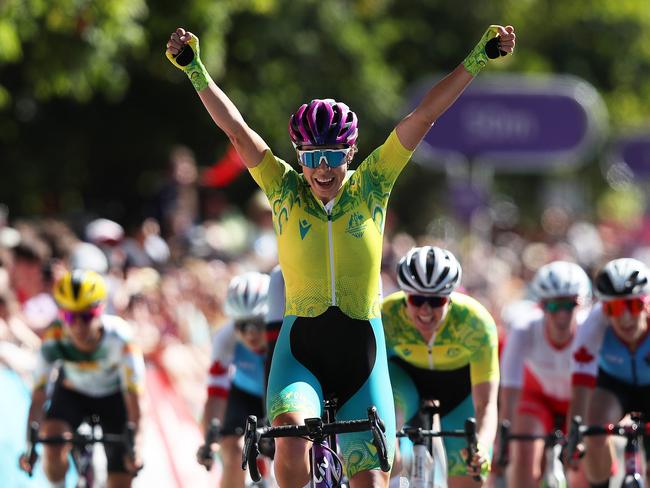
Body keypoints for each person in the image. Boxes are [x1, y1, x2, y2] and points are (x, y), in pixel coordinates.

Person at [166, 23, 515, 488]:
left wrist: (478, 57)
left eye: (333, 154)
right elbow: (235, 128)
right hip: (300, 350)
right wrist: (195, 70)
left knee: (370, 480)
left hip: (361, 353)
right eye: (311, 156)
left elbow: (426, 114)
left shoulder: (374, 182)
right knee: (290, 440)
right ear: (299, 155)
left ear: (350, 151)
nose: (322, 167)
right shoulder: (282, 187)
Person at [382, 246, 499, 487]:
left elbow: (486, 403)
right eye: (417, 299)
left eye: (436, 300)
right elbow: (370, 378)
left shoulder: (476, 323)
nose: (426, 309)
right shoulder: (386, 315)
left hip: (458, 393)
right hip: (404, 383)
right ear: (405, 295)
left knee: (470, 469)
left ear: (450, 297)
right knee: (387, 446)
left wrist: (483, 447)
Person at [19, 269, 145, 488]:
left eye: (86, 316)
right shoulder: (52, 341)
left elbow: (135, 402)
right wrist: (30, 447)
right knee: (51, 441)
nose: (78, 325)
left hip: (114, 397)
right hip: (72, 393)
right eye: (69, 316)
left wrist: (135, 448)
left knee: (121, 479)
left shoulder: (121, 340)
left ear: (101, 310)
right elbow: (39, 398)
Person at [500, 261, 591, 487]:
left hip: (579, 399)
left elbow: (591, 389)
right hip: (538, 398)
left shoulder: (589, 329)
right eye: (553, 306)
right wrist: (502, 441)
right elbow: (510, 391)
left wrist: (577, 437)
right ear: (541, 306)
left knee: (582, 464)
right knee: (523, 452)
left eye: (569, 305)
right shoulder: (524, 329)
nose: (561, 315)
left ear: (580, 305)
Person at [568, 258, 650, 488]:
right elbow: (580, 392)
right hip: (614, 386)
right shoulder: (592, 327)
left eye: (633, 305)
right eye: (613, 308)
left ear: (647, 303)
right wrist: (575, 437)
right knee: (594, 430)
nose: (624, 317)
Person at [197, 271, 270, 487]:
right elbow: (215, 394)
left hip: (279, 392)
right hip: (244, 395)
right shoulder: (224, 337)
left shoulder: (286, 329)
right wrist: (209, 440)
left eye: (258, 323)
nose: (250, 334)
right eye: (242, 325)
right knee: (234, 452)